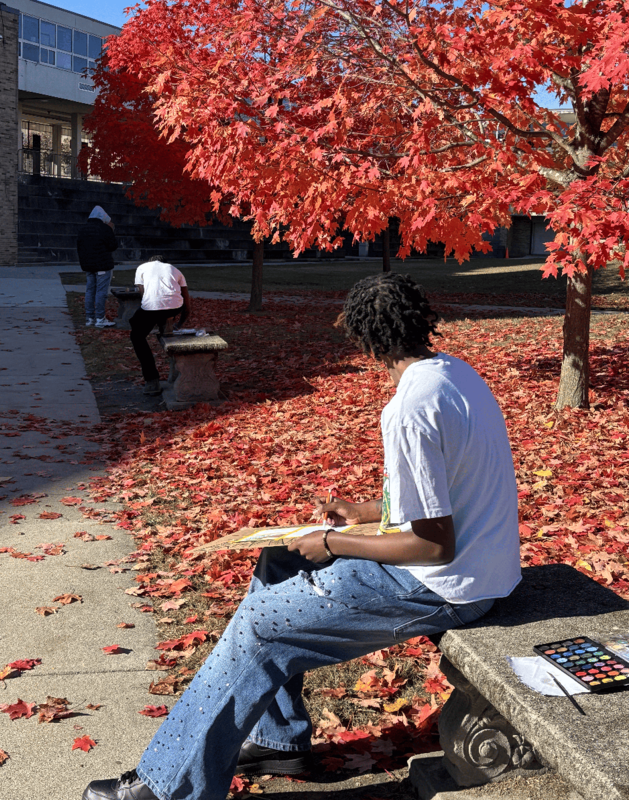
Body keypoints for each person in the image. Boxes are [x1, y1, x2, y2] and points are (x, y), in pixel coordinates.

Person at [82, 273, 521, 800]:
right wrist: (360, 512)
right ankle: (277, 739)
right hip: (477, 567)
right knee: (277, 564)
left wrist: (333, 543)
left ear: (367, 340)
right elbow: (442, 495)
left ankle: (167, 786)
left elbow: (433, 544)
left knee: (258, 625)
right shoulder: (455, 374)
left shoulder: (409, 407)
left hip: (446, 586)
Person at [129, 255, 191, 396]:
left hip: (151, 308)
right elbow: (187, 304)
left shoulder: (142, 268)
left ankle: (152, 381)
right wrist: (179, 324)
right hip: (175, 307)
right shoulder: (174, 270)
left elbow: (144, 294)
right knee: (143, 319)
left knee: (136, 336)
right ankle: (164, 323)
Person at [77, 205, 118, 328]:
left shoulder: (83, 229)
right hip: (103, 266)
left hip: (88, 265)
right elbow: (113, 246)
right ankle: (100, 318)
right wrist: (111, 230)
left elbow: (79, 246)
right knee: (101, 292)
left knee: (90, 291)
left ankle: (89, 318)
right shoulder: (104, 229)